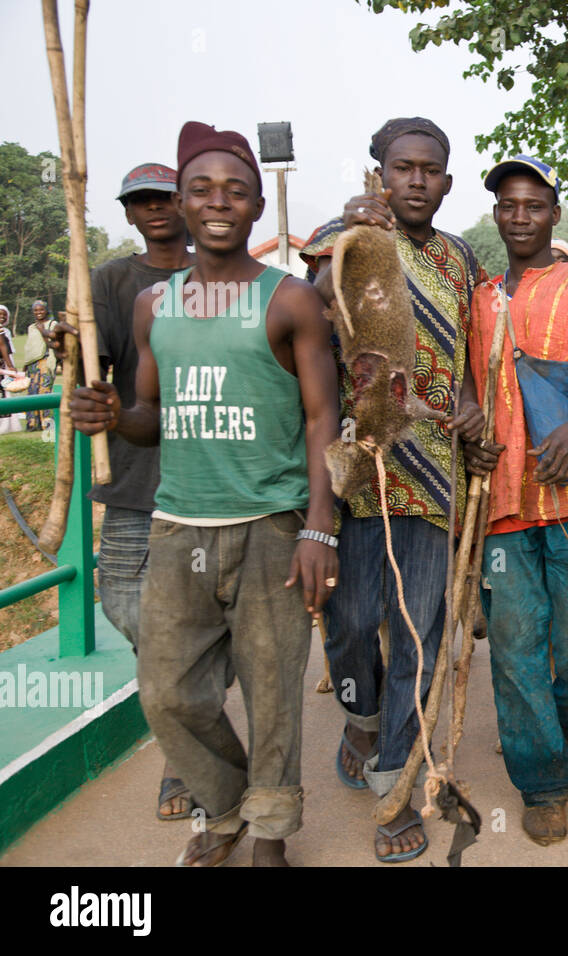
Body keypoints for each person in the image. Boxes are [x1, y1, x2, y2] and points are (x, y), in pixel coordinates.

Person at [68, 121, 340, 866]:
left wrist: (320, 527)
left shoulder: (289, 301)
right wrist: (114, 416)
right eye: (202, 189)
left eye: (236, 191)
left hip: (271, 527)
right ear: (182, 206)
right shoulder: (156, 304)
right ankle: (224, 806)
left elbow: (324, 419)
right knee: (167, 693)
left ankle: (272, 833)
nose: (219, 202)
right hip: (178, 527)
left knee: (274, 690)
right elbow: (151, 418)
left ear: (255, 209)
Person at [313, 116, 492, 863]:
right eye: (403, 167)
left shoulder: (461, 260)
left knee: (418, 631)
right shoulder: (344, 237)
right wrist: (349, 238)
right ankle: (360, 713)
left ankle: (397, 788)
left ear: (447, 181)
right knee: (350, 621)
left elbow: (476, 346)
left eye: (431, 169)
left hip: (433, 469)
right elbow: (315, 305)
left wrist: (476, 401)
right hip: (358, 467)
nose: (417, 180)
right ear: (379, 174)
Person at [471, 155, 568, 845]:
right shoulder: (477, 301)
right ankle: (543, 782)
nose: (521, 216)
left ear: (554, 213)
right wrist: (469, 429)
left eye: (534, 204)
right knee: (513, 646)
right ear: (497, 215)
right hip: (501, 508)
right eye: (509, 205)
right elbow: (465, 391)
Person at [45, 162, 197, 820]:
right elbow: (95, 366)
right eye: (142, 201)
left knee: (189, 622)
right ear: (129, 214)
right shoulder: (109, 280)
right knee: (128, 609)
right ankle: (188, 707)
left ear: (185, 204)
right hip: (135, 480)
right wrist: (70, 348)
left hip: (202, 480)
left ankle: (185, 758)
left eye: (165, 197)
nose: (156, 209)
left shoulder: (215, 276)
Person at [23, 300, 56, 431]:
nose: (38, 313)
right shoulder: (31, 327)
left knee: (45, 391)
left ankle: (47, 425)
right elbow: (30, 347)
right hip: (32, 364)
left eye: (41, 309)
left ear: (46, 310)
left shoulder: (52, 324)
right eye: (36, 310)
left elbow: (53, 343)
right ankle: (32, 424)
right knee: (32, 392)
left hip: (46, 361)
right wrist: (26, 364)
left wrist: (43, 331)